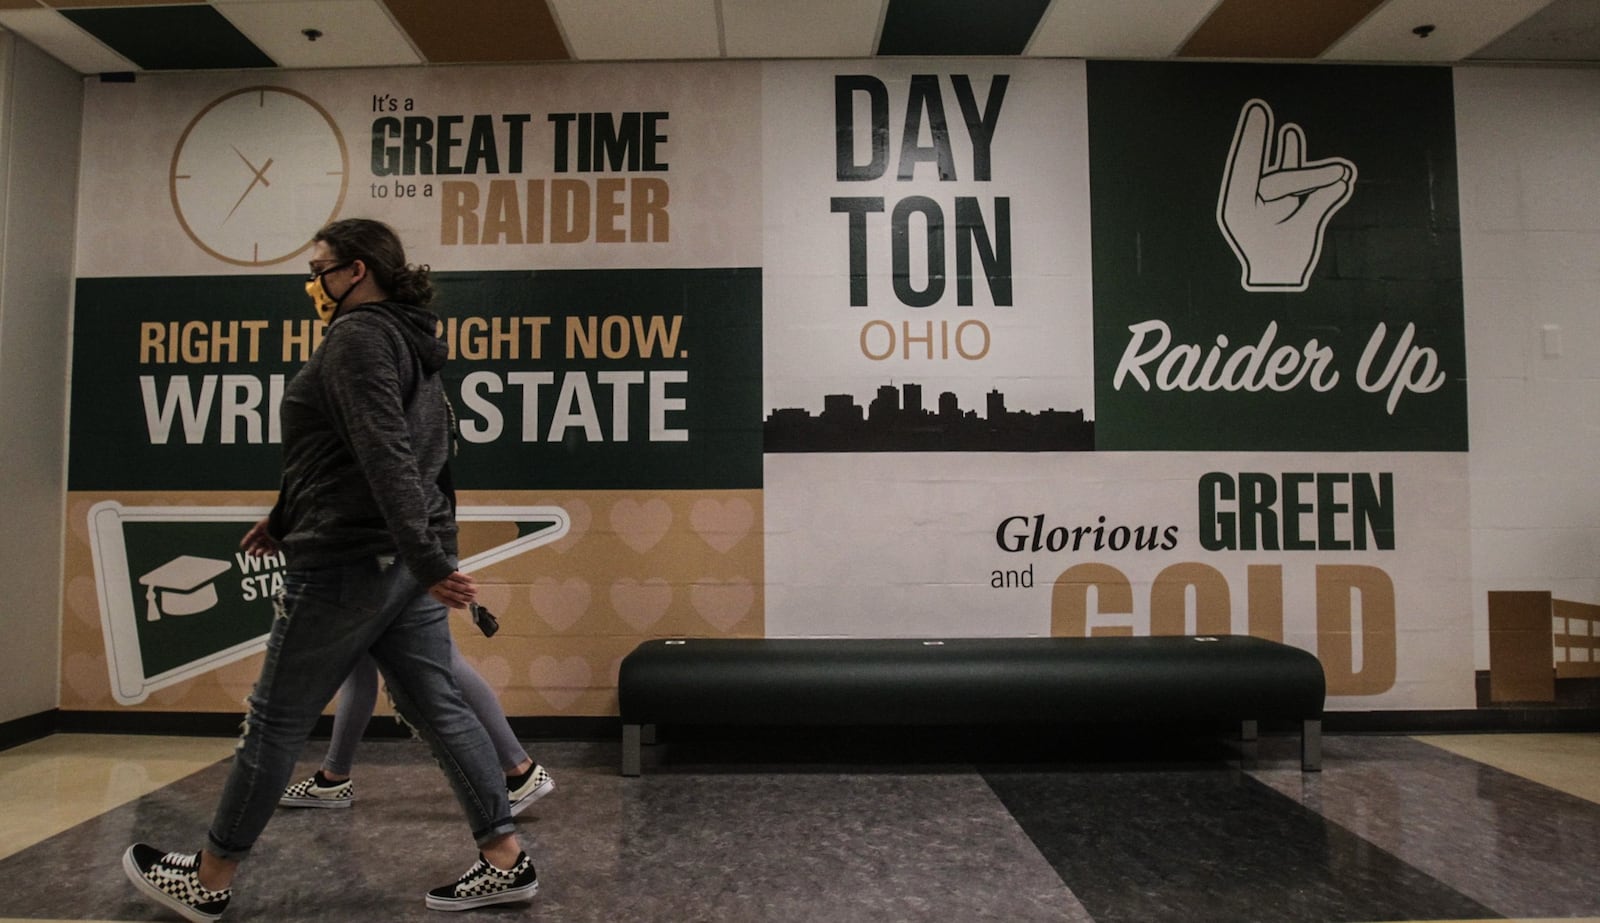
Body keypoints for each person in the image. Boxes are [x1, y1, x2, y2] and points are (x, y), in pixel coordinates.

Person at [123, 218, 539, 920]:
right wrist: (289, 515)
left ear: (356, 271)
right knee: (435, 704)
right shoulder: (410, 337)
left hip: (349, 561)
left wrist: (428, 556)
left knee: (275, 720)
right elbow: (358, 453)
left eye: (319, 268)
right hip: (391, 562)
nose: (311, 282)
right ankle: (505, 856)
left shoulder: (357, 337)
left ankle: (212, 876)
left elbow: (387, 455)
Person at [279, 652, 554, 814]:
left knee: (439, 657)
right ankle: (333, 778)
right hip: (394, 564)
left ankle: (520, 770)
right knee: (358, 660)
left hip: (389, 567)